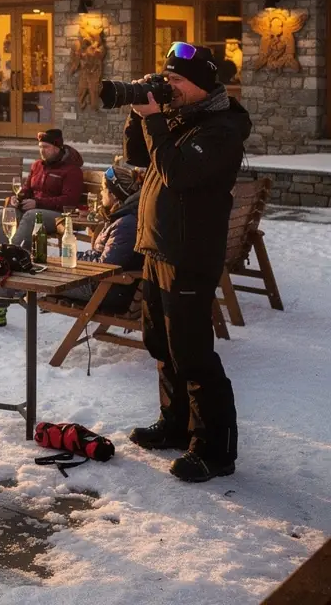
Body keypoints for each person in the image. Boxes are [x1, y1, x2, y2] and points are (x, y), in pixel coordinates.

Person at [125, 42, 250, 483]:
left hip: (190, 255)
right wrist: (137, 112)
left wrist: (155, 120)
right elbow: (140, 158)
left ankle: (214, 450)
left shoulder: (221, 130)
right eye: (167, 78)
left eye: (177, 80)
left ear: (201, 85)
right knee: (161, 345)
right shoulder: (181, 120)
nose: (169, 85)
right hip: (158, 248)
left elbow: (178, 175)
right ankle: (175, 425)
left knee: (193, 355)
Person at [0, 129, 84, 328]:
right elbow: (27, 189)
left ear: (58, 147)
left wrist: (38, 202)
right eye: (40, 147)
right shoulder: (38, 166)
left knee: (29, 217)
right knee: (1, 214)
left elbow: (69, 200)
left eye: (46, 147)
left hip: (58, 216)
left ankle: (7, 261)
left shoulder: (71, 171)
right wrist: (17, 198)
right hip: (34, 210)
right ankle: (7, 266)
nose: (42, 151)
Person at [66, 164, 143, 313]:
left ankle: (11, 297)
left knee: (38, 282)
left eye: (103, 189)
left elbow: (105, 266)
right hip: (106, 286)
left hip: (106, 290)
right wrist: (75, 257)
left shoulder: (127, 224)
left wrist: (74, 260)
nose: (101, 193)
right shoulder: (123, 218)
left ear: (114, 195)